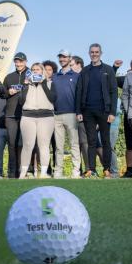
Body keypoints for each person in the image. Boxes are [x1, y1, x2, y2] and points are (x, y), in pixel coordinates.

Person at [75, 44, 118, 178]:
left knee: (106, 141)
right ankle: (91, 170)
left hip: (104, 111)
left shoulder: (108, 70)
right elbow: (79, 91)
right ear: (89, 53)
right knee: (91, 141)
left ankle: (107, 169)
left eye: (97, 52)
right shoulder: (85, 71)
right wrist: (78, 112)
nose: (94, 54)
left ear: (101, 53)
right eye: (92, 52)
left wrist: (112, 112)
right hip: (87, 111)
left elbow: (114, 92)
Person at [17, 62, 57, 178]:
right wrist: (24, 86)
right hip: (28, 116)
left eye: (38, 69)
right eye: (33, 69)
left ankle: (43, 173)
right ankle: (23, 173)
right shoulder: (26, 85)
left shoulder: (50, 83)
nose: (35, 71)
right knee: (27, 145)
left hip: (46, 117)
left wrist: (43, 83)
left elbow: (53, 98)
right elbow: (20, 101)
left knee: (43, 145)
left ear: (42, 71)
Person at [52, 49, 81, 178]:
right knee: (59, 146)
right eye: (60, 57)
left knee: (74, 144)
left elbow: (80, 96)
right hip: (56, 115)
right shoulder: (54, 77)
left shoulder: (76, 76)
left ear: (69, 58)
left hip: (72, 114)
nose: (62, 59)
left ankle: (76, 171)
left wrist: (79, 112)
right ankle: (58, 171)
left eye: (64, 57)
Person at [2, 53, 28, 178]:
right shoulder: (9, 77)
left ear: (26, 62)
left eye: (21, 61)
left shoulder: (30, 75)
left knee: (24, 144)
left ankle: (25, 171)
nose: (18, 64)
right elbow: (2, 94)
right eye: (16, 61)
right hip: (11, 115)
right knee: (12, 144)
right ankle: (12, 172)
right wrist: (8, 92)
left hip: (27, 115)